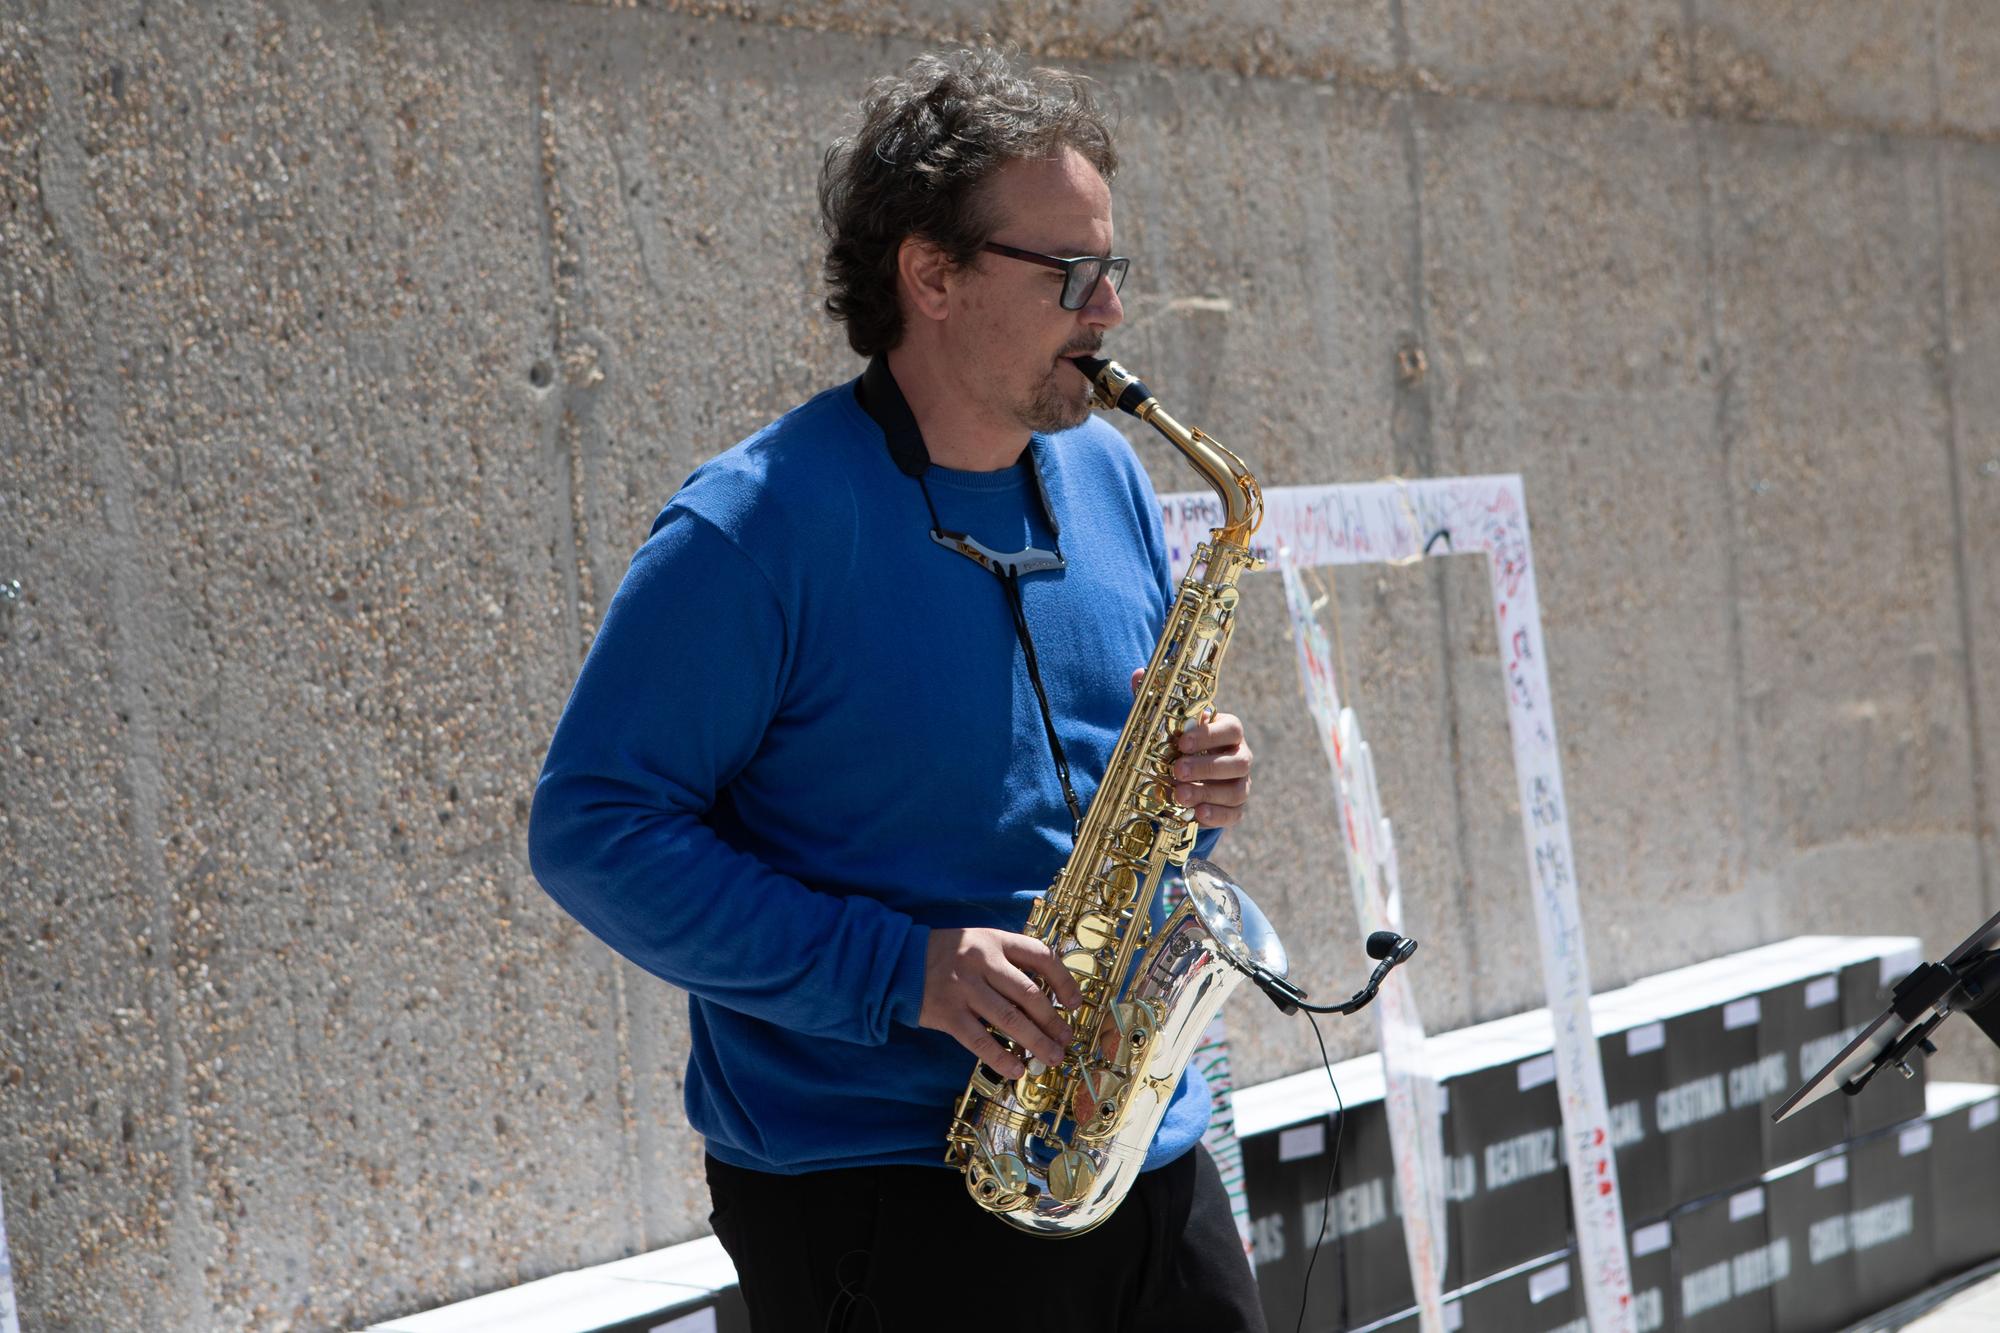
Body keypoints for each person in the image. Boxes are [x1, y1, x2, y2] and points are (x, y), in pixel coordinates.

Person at [529, 46, 1266, 1333]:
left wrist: (1192, 787)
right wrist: (903, 971)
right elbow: (592, 832)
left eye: (1114, 272)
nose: (1106, 312)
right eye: (1069, 275)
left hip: (1138, 1156)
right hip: (884, 1200)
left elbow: (1112, 800)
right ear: (928, 274)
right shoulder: (751, 529)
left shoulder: (1105, 486)